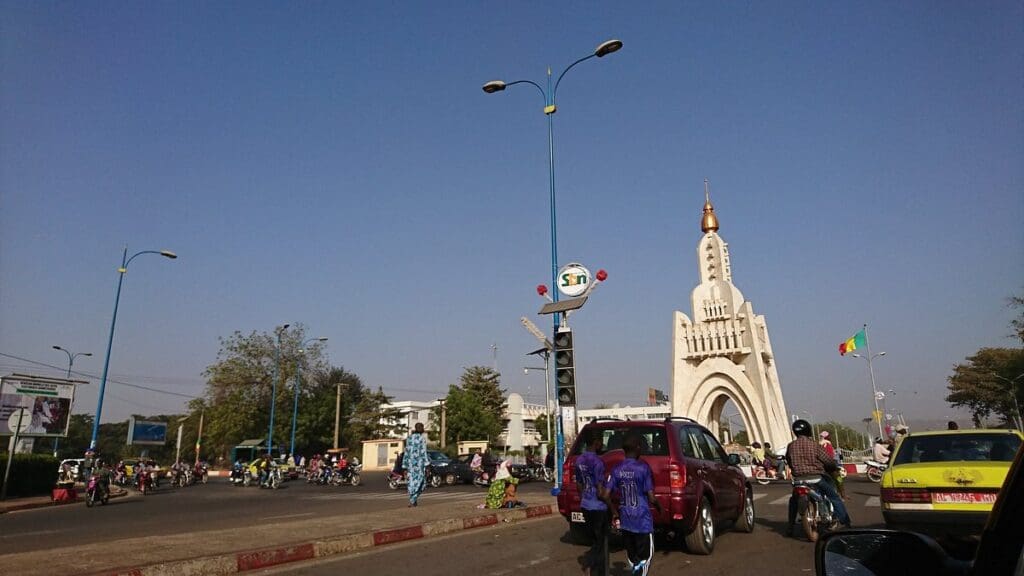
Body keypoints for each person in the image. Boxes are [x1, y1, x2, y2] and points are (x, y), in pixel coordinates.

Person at [608, 432, 662, 576]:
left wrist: (614, 512)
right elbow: (651, 497)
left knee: (633, 559)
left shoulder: (616, 469)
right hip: (642, 520)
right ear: (638, 448)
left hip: (626, 520)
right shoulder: (643, 468)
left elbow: (606, 494)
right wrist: (659, 506)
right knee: (646, 558)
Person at [786, 419, 851, 535]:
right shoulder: (814, 445)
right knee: (834, 497)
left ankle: (790, 526)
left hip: (798, 480)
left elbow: (789, 461)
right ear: (808, 430)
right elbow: (827, 461)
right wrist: (833, 467)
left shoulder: (791, 446)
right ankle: (845, 522)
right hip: (816, 478)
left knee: (793, 501)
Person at [574, 428, 610, 576]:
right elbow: (601, 491)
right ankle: (593, 568)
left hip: (586, 505)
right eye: (601, 442)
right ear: (596, 443)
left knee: (594, 540)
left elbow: (579, 484)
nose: (602, 445)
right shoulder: (598, 463)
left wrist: (584, 498)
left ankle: (595, 568)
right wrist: (611, 505)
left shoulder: (579, 460)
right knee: (600, 544)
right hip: (598, 507)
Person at [403, 422, 429, 507]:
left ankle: (413, 500)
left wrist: (404, 465)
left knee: (412, 482)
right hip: (419, 465)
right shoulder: (422, 439)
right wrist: (427, 465)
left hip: (410, 465)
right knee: (422, 483)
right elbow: (423, 452)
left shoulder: (409, 438)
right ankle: (413, 500)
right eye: (422, 427)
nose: (423, 429)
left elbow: (406, 452)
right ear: (420, 429)